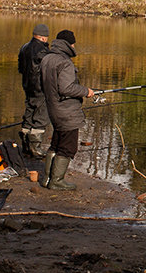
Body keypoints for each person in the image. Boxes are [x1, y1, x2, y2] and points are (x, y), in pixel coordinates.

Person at [39, 29, 95, 191]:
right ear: (69, 44)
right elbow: (66, 88)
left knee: (56, 143)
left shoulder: (47, 58)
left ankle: (47, 179)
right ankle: (56, 181)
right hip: (66, 111)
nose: (74, 46)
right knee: (68, 147)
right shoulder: (65, 62)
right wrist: (86, 91)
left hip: (53, 108)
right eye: (73, 43)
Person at [17, 23, 51, 157]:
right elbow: (47, 71)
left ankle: (26, 145)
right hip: (40, 88)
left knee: (29, 112)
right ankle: (35, 148)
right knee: (41, 116)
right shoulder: (42, 51)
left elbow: (20, 68)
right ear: (43, 38)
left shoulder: (24, 47)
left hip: (27, 86)